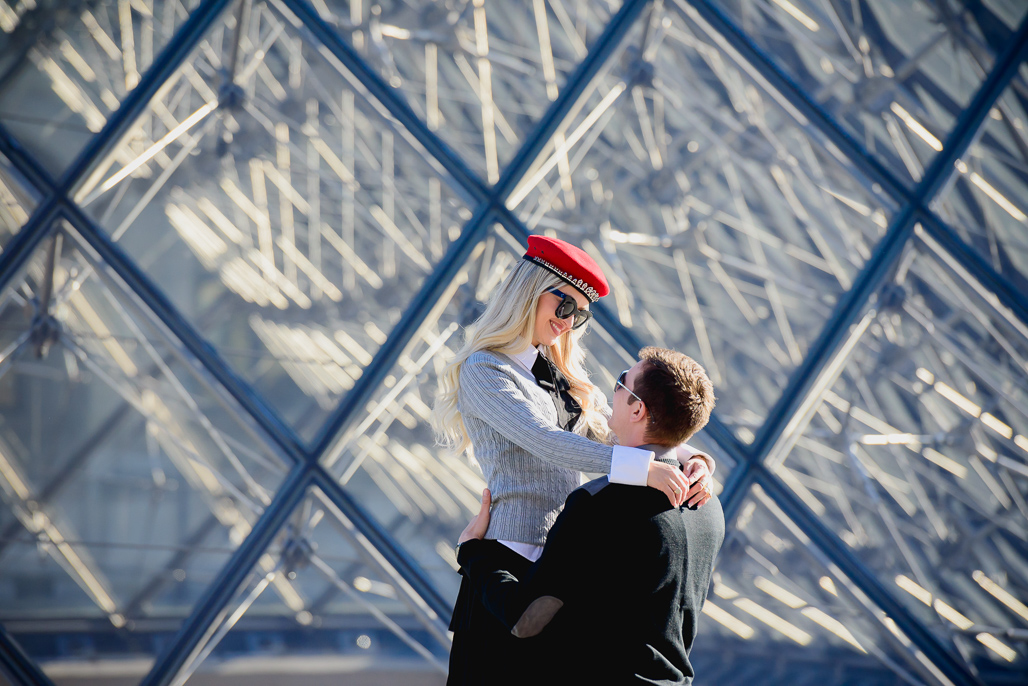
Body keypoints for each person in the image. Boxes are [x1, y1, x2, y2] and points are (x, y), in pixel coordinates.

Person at [433, 236, 715, 685]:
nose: (569, 323)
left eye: (579, 314)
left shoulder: (561, 377)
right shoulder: (485, 370)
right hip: (508, 562)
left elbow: (621, 430)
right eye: (564, 306)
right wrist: (644, 470)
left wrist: (691, 457)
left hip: (559, 571)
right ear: (530, 290)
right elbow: (543, 440)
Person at [456, 347, 724, 685]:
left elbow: (527, 619)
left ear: (638, 409)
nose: (608, 394)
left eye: (618, 384)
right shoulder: (709, 507)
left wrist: (473, 553)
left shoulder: (598, 505)